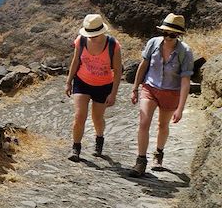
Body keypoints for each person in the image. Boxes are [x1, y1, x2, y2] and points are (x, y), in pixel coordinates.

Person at [129, 13, 194, 177]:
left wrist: (180, 108)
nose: (167, 37)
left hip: (171, 92)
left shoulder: (185, 52)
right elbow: (143, 66)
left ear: (178, 35)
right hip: (150, 88)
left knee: (162, 126)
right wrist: (135, 88)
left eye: (172, 34)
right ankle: (140, 161)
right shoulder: (153, 43)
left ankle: (158, 154)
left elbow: (185, 80)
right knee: (144, 122)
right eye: (165, 33)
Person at [65, 14, 122, 161]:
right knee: (79, 116)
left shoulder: (113, 45)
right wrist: (68, 81)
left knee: (97, 118)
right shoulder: (81, 40)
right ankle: (75, 148)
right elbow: (75, 61)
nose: (92, 37)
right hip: (82, 81)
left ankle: (99, 139)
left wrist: (113, 93)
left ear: (102, 31)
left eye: (95, 34)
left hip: (103, 85)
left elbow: (117, 70)